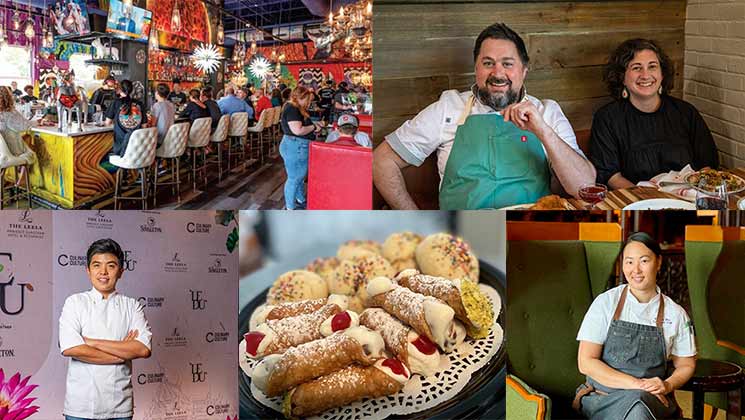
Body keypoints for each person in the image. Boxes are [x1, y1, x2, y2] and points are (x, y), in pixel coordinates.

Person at [374, 22, 595, 210]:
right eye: (488, 63)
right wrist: (413, 220)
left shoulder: (547, 111)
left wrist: (544, 132)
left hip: (530, 228)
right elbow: (381, 161)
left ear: (524, 70)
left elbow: (584, 187)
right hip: (462, 236)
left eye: (507, 64)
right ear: (476, 69)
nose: (497, 73)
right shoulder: (448, 108)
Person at [574, 232, 696, 419]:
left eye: (644, 261)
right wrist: (635, 384)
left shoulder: (675, 313)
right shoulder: (605, 303)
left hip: (651, 399)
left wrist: (668, 385)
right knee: (638, 406)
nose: (635, 270)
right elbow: (586, 362)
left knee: (640, 405)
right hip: (603, 398)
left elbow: (686, 364)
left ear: (659, 262)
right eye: (629, 262)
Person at [589, 39, 719, 189]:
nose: (645, 75)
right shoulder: (607, 119)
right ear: (622, 77)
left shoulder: (686, 112)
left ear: (662, 74)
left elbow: (707, 165)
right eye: (636, 68)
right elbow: (612, 176)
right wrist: (647, 200)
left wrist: (693, 194)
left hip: (689, 197)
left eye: (652, 66)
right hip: (638, 201)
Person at [59, 238, 152, 420]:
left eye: (111, 266)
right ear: (88, 270)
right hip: (80, 407)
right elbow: (72, 348)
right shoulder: (75, 302)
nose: (103, 272)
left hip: (120, 406)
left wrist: (91, 342)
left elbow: (143, 349)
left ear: (121, 271)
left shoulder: (132, 306)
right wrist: (122, 352)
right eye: (96, 265)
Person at [279, 86, 321, 210]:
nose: (309, 103)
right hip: (296, 146)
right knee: (295, 178)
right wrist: (313, 127)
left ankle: (300, 199)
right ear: (301, 98)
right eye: (307, 100)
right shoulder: (292, 109)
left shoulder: (293, 107)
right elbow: (297, 130)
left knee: (298, 177)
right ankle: (290, 208)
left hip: (294, 144)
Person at [0, 86, 36, 184]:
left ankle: (7, 179)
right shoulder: (10, 113)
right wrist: (38, 121)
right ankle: (22, 177)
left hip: (1, 153)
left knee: (25, 138)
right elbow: (25, 126)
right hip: (9, 153)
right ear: (8, 97)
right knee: (31, 144)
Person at [105, 79, 145, 156]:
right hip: (138, 148)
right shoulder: (139, 104)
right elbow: (144, 126)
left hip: (120, 149)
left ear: (119, 89)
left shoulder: (116, 102)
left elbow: (107, 122)